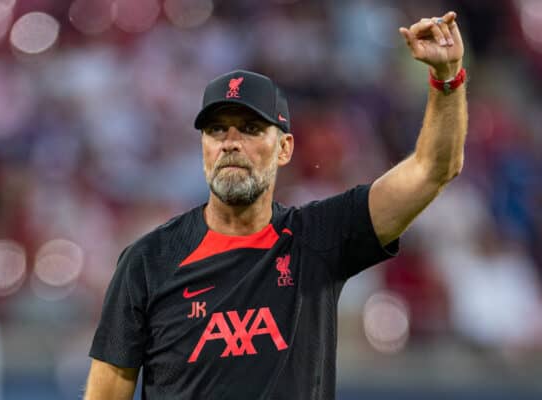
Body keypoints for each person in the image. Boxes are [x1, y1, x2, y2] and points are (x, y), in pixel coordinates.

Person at [84, 11, 467, 400]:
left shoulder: (317, 239)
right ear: (203, 146)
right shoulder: (149, 261)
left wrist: (447, 79)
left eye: (250, 129)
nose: (230, 142)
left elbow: (432, 169)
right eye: (217, 129)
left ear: (284, 148)